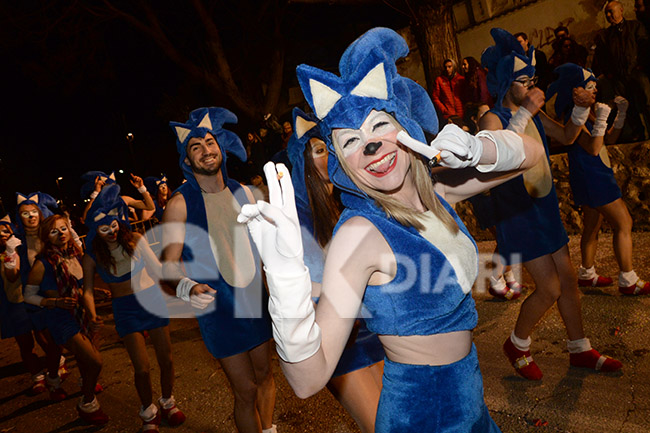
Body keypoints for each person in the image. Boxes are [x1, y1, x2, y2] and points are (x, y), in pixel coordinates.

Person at [239, 27, 547, 432]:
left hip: (469, 400)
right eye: (350, 140)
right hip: (419, 415)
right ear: (341, 165)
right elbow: (307, 379)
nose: (369, 146)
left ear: (404, 126)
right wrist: (283, 280)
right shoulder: (360, 234)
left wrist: (477, 148)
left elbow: (532, 155)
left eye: (379, 125)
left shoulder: (438, 190)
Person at [480, 28, 622, 381]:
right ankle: (517, 343)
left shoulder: (535, 114)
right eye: (523, 81)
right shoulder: (493, 118)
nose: (531, 88)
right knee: (550, 288)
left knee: (570, 282)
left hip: (544, 208)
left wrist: (579, 109)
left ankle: (580, 349)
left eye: (532, 81)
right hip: (519, 214)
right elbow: (496, 156)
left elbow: (568, 137)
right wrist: (526, 111)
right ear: (507, 82)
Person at [162, 107, 276, 433]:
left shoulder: (243, 192)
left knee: (266, 377)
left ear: (221, 148)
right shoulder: (180, 203)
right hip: (219, 309)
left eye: (209, 142)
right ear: (187, 159)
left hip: (255, 300)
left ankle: (268, 429)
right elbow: (168, 266)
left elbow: (263, 248)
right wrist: (187, 288)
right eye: (195, 147)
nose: (205, 150)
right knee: (245, 390)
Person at [287, 108, 384, 432]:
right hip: (339, 338)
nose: (328, 155)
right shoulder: (299, 221)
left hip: (379, 330)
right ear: (303, 162)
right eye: (318, 150)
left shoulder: (352, 203)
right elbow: (307, 287)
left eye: (329, 147)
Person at [82, 184, 185, 432]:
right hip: (125, 309)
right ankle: (148, 412)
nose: (111, 231)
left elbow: (159, 270)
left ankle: (168, 402)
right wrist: (93, 314)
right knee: (141, 368)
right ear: (95, 230)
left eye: (114, 225)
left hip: (151, 300)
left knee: (167, 359)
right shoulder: (92, 256)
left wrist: (185, 286)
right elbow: (86, 290)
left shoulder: (136, 239)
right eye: (104, 228)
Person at [546, 63, 649, 295]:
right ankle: (628, 279)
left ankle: (586, 274)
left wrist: (618, 115)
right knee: (624, 223)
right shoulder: (574, 115)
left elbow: (608, 141)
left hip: (592, 175)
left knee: (592, 226)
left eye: (594, 86)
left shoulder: (587, 112)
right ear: (575, 89)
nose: (594, 90)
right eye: (588, 86)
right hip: (594, 177)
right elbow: (593, 148)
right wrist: (601, 119)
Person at [24, 215, 108, 425]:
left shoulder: (77, 255)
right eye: (54, 231)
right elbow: (28, 295)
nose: (61, 233)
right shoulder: (43, 263)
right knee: (95, 362)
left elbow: (79, 287)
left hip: (83, 313)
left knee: (82, 359)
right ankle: (87, 403)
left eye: (64, 229)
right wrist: (55, 302)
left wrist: (94, 291)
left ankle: (75, 382)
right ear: (46, 237)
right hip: (61, 318)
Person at [14, 192, 71, 395]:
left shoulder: (51, 236)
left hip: (57, 297)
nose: (30, 216)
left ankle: (60, 374)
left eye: (33, 212)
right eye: (24, 213)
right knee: (42, 343)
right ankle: (47, 378)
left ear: (40, 213)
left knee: (59, 342)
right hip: (30, 301)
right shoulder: (16, 243)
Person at [0, 215, 49, 395]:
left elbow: (16, 273)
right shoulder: (7, 252)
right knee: (26, 344)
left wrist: (12, 252)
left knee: (45, 337)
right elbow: (11, 277)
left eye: (6, 231)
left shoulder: (22, 249)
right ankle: (37, 376)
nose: (3, 235)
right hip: (12, 305)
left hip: (31, 299)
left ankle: (57, 366)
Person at [592, 0, 650, 141]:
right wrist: (610, 73)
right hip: (618, 77)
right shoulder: (605, 35)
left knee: (647, 102)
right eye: (607, 12)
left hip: (637, 73)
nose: (609, 15)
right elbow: (601, 57)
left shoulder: (635, 26)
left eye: (611, 11)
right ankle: (638, 134)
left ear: (621, 10)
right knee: (627, 107)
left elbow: (644, 46)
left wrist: (640, 66)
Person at [80, 171, 155, 221]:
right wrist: (95, 193)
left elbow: (150, 206)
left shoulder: (124, 199)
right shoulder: (98, 204)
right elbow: (85, 218)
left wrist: (141, 188)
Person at [431, 58, 466, 123]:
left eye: (449, 67)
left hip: (461, 113)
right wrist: (444, 109)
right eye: (446, 67)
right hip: (448, 114)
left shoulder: (461, 79)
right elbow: (435, 97)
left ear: (454, 67)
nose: (447, 69)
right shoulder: (439, 80)